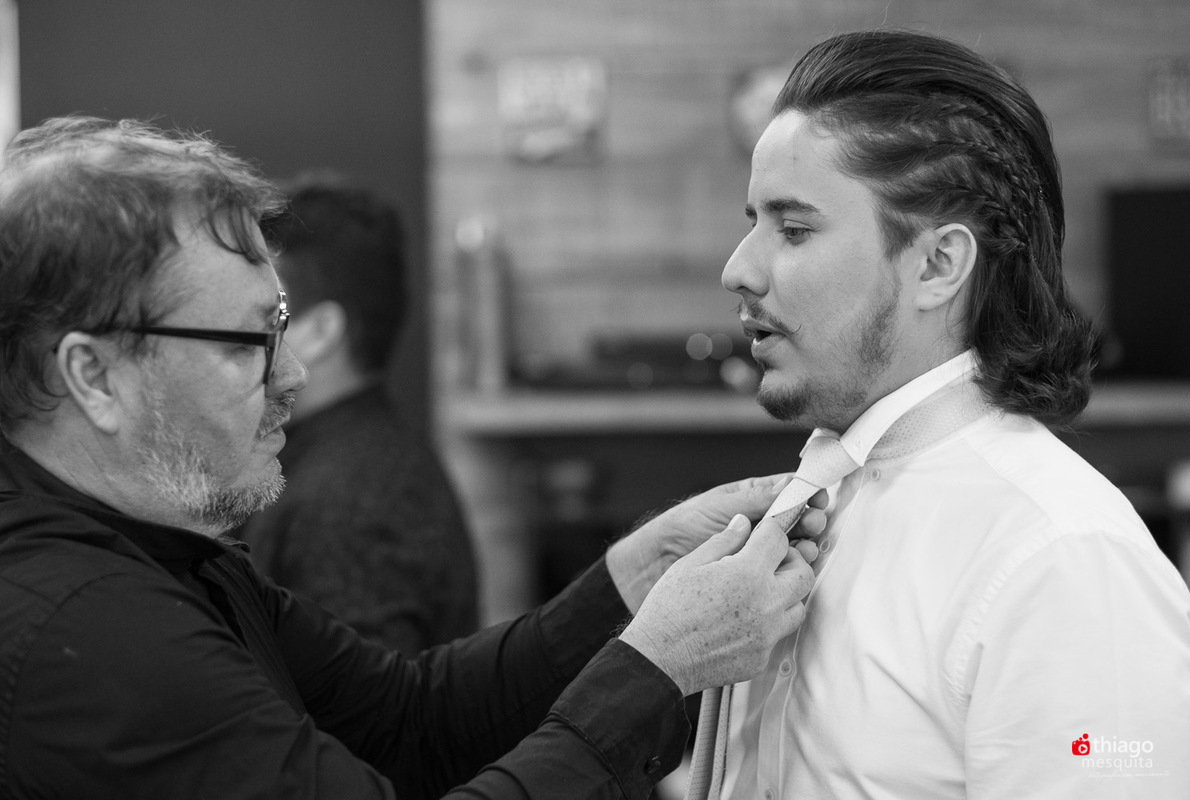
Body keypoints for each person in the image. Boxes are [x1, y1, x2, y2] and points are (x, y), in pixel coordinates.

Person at [0, 115, 823, 799]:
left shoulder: (173, 555)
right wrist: (654, 670)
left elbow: (411, 717)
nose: (291, 374)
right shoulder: (88, 629)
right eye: (250, 342)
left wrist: (631, 585)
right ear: (93, 374)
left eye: (282, 329)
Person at [691, 29, 1190, 800]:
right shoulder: (817, 498)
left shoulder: (1066, 563)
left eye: (793, 229)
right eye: (753, 221)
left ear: (937, 265)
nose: (739, 267)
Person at [235, 175, 478, 653]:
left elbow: (366, 723)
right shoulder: (350, 461)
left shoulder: (349, 501)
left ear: (322, 330)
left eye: (266, 316)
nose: (235, 334)